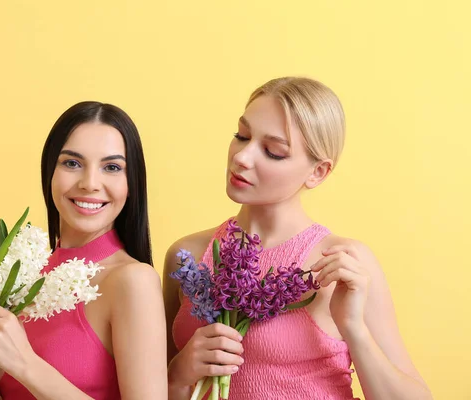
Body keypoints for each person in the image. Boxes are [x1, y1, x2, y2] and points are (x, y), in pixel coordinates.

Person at [164, 77, 432, 399]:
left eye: (273, 152)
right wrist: (178, 373)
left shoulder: (342, 263)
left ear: (317, 172)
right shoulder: (187, 256)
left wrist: (353, 328)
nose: (242, 157)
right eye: (242, 135)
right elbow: (147, 387)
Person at [0, 101, 168, 400]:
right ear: (49, 172)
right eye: (72, 163)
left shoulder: (132, 281)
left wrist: (24, 364)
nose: (90, 183)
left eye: (111, 167)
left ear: (131, 183)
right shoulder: (19, 278)